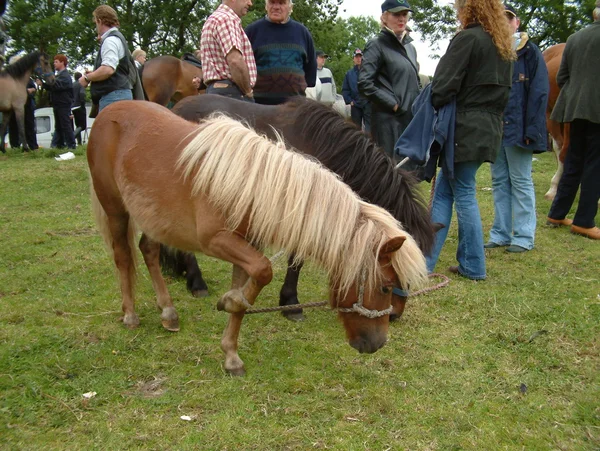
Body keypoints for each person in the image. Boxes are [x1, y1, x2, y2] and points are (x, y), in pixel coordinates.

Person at [425, 0, 514, 280]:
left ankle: (467, 265)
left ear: (467, 8)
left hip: (463, 127)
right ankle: (455, 263)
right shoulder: (503, 46)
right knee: (449, 190)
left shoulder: (467, 39)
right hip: (488, 128)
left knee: (461, 191)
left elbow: (441, 88)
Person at [485, 4, 549, 253]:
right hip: (496, 128)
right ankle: (500, 233)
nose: (505, 22)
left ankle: (523, 236)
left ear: (517, 22)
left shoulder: (530, 52)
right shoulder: (492, 52)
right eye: (500, 19)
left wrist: (532, 130)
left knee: (521, 181)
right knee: (499, 180)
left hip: (520, 128)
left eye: (508, 18)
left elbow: (539, 92)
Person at [546, 1, 600, 240]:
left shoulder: (575, 37)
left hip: (572, 110)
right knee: (594, 165)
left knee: (573, 160)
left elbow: (562, 76)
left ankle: (557, 213)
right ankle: (584, 222)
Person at [358, 0, 420, 159]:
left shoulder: (410, 48)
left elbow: (415, 82)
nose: (401, 19)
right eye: (396, 14)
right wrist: (393, 105)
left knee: (409, 172)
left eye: (404, 14)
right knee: (390, 173)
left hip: (410, 120)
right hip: (387, 122)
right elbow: (365, 83)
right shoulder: (376, 44)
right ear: (384, 17)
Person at [245, 0, 317, 105]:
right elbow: (241, 69)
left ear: (290, 7)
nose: (276, 7)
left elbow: (310, 75)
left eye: (281, 3)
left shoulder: (302, 33)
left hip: (295, 109)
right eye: (272, 2)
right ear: (266, 6)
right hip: (259, 108)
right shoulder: (252, 32)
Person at [78, 5, 134, 112]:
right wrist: (95, 74)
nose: (96, 27)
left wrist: (87, 78)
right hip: (120, 94)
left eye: (95, 23)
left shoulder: (110, 40)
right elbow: (114, 68)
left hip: (113, 97)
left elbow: (108, 70)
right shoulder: (117, 37)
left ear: (99, 21)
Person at [199, 0, 257, 101]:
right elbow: (235, 61)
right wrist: (248, 91)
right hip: (231, 93)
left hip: (215, 92)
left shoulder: (213, 19)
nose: (250, 3)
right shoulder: (227, 20)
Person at [39, 54, 76, 149]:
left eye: (56, 62)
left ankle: (71, 145)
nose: (54, 64)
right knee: (59, 126)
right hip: (57, 103)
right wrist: (43, 84)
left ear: (62, 63)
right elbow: (53, 87)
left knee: (65, 125)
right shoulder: (59, 75)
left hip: (63, 104)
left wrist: (44, 84)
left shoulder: (65, 76)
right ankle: (58, 145)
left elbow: (56, 86)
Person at [342, 48, 371, 133]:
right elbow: (345, 89)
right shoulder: (349, 74)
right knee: (356, 129)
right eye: (356, 57)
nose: (359, 59)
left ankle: (369, 145)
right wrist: (350, 101)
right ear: (353, 59)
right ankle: (358, 145)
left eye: (360, 57)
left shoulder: (369, 72)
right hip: (355, 104)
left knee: (369, 129)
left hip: (367, 104)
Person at [72, 72, 87, 146]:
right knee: (82, 126)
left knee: (78, 125)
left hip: (72, 107)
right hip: (79, 106)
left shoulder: (72, 85)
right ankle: (72, 138)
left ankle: (79, 143)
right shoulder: (81, 84)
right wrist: (82, 103)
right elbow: (82, 94)